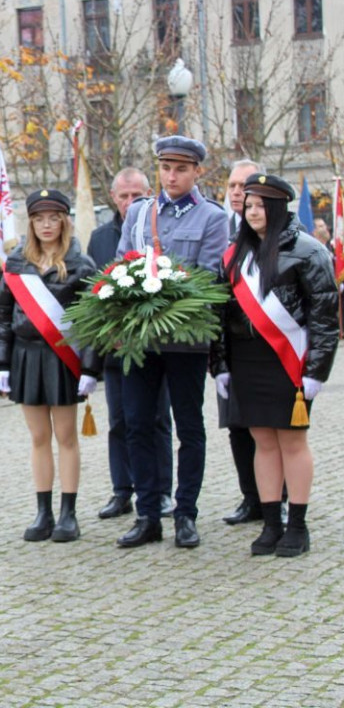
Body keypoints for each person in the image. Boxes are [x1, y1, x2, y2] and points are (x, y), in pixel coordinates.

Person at [212, 173, 338, 557]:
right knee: (262, 441)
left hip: (289, 358)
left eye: (260, 205)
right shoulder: (234, 253)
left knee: (292, 441)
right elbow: (219, 315)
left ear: (278, 207)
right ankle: (271, 523)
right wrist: (219, 365)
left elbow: (325, 316)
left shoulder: (309, 251)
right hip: (247, 360)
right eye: (248, 205)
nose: (252, 212)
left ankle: (297, 526)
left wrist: (316, 370)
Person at [115, 135, 228, 548]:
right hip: (141, 341)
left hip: (186, 340)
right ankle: (148, 514)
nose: (172, 175)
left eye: (181, 168)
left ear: (197, 171)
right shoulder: (141, 213)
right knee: (139, 424)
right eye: (166, 168)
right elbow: (123, 263)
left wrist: (163, 296)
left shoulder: (213, 218)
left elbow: (211, 279)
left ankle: (185, 513)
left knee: (189, 426)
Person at [0, 189, 100, 542]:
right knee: (38, 437)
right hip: (26, 355)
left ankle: (69, 514)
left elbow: (93, 322)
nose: (46, 225)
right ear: (31, 223)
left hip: (64, 355)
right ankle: (43, 513)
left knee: (66, 437)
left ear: (65, 221)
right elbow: (2, 318)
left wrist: (90, 368)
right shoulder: (17, 263)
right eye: (39, 219)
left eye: (54, 218)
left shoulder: (82, 265)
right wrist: (0, 362)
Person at [86, 169, 174, 521]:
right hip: (116, 345)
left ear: (149, 194)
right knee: (120, 421)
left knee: (156, 420)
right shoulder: (99, 238)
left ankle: (162, 491)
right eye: (123, 196)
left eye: (136, 195)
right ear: (112, 197)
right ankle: (123, 490)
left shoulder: (157, 229)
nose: (129, 202)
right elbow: (94, 289)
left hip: (155, 344)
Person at [219, 160, 264, 525]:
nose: (236, 191)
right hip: (231, 346)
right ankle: (250, 496)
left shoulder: (271, 229)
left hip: (267, 347)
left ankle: (275, 498)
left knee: (270, 426)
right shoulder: (219, 229)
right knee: (237, 425)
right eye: (232, 185)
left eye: (243, 185)